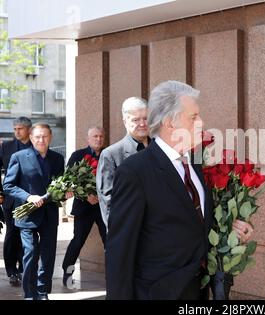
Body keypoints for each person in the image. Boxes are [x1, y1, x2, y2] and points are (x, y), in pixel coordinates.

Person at [105, 80, 253, 300]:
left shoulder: (193, 164)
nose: (202, 122)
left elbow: (190, 220)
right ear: (170, 122)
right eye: (193, 117)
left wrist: (231, 228)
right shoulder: (135, 171)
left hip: (197, 291)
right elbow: (120, 249)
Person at [3, 123, 72, 300]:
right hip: (27, 215)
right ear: (32, 138)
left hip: (49, 214)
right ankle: (29, 293)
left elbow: (58, 186)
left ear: (50, 137)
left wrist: (65, 193)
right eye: (38, 137)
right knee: (31, 253)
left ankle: (42, 292)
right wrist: (28, 197)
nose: (41, 140)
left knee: (48, 256)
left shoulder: (57, 158)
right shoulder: (19, 157)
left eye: (45, 136)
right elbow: (8, 186)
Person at [62, 126, 107, 287]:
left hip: (104, 207)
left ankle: (114, 275)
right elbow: (68, 180)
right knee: (78, 241)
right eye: (95, 136)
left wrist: (101, 197)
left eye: (101, 136)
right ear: (88, 139)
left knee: (110, 241)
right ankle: (67, 274)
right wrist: (86, 195)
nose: (99, 139)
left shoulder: (109, 154)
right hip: (84, 206)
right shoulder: (78, 155)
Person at [96, 97, 150, 229]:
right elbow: (107, 200)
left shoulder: (160, 149)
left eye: (145, 118)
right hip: (130, 232)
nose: (142, 123)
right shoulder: (111, 154)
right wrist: (118, 235)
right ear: (125, 121)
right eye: (136, 119)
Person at [0, 116, 32, 287]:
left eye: (20, 128)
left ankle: (24, 268)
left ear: (28, 129)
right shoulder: (6, 146)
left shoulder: (36, 145)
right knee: (12, 234)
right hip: (10, 200)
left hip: (30, 199)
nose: (16, 132)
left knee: (27, 234)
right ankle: (11, 271)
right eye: (15, 129)